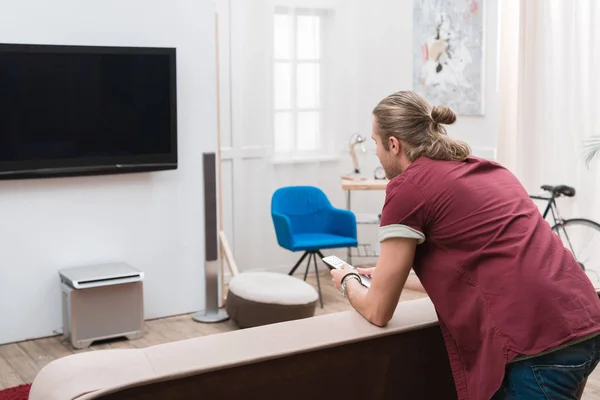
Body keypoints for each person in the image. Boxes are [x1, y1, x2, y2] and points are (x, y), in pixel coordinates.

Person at [330, 90, 600, 399]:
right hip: (583, 321)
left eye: (375, 143)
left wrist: (347, 280)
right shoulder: (488, 169)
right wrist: (387, 275)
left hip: (536, 342)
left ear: (394, 144)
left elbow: (379, 310)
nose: (375, 153)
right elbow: (477, 266)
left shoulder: (407, 188)